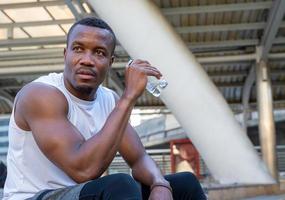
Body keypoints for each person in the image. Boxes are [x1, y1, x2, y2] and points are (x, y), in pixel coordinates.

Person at [3, 17, 207, 200]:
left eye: (99, 53)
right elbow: (83, 169)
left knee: (184, 184)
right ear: (65, 54)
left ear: (110, 62)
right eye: (78, 49)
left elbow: (139, 158)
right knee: (120, 185)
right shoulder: (40, 95)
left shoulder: (109, 100)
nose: (87, 60)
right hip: (35, 197)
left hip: (83, 194)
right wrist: (128, 97)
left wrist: (160, 184)